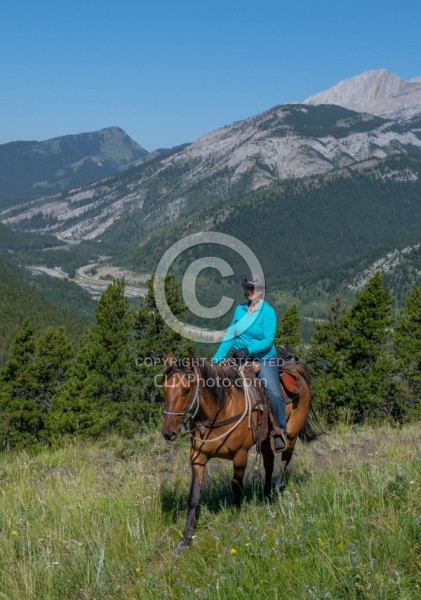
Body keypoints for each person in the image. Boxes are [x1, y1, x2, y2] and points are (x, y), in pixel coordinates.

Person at [212, 272, 288, 452]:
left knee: (274, 393)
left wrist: (248, 350)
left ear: (261, 291)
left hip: (263, 358)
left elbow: (268, 340)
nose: (249, 292)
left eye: (253, 288)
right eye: (247, 288)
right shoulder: (240, 310)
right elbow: (230, 335)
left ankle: (279, 431)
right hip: (238, 357)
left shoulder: (268, 312)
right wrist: (216, 360)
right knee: (216, 382)